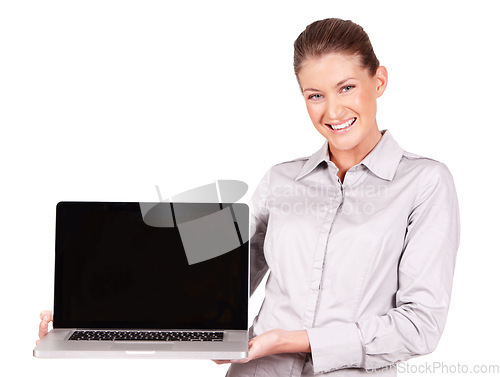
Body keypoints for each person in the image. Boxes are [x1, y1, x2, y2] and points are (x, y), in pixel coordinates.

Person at [37, 18, 460, 377]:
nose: (332, 111)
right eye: (315, 95)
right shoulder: (282, 180)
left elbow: (420, 325)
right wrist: (92, 310)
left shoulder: (424, 183)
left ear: (379, 80)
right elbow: (208, 276)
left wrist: (291, 341)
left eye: (346, 87)